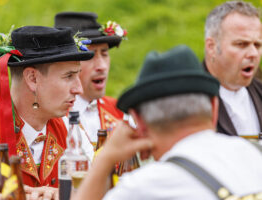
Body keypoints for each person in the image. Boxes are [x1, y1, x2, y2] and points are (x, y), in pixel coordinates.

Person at [73, 45, 262, 200]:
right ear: (214, 108)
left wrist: (106, 158)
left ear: (140, 123)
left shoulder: (147, 185)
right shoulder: (256, 153)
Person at [0, 25, 94, 193]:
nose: (79, 89)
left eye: (77, 75)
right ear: (32, 79)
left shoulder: (69, 128)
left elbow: (98, 189)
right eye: (69, 76)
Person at [54, 12, 129, 148]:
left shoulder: (119, 111)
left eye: (104, 53)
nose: (101, 66)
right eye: (90, 55)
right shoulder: (52, 118)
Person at [204, 0, 262, 137]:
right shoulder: (190, 101)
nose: (253, 53)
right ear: (212, 47)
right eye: (241, 44)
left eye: (258, 45)